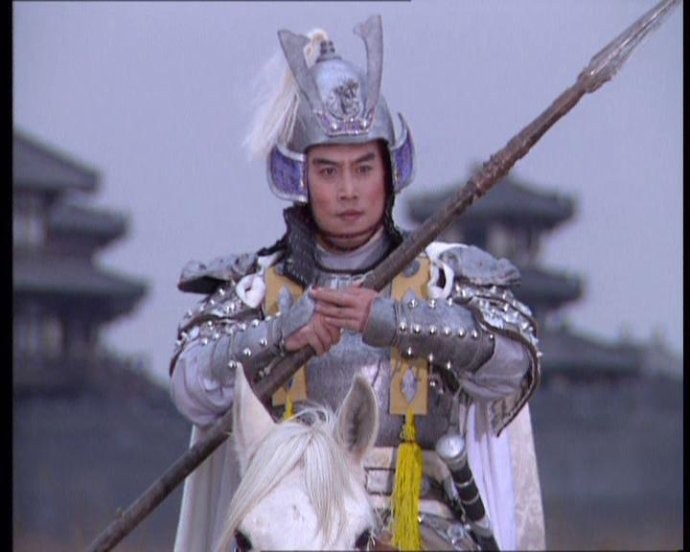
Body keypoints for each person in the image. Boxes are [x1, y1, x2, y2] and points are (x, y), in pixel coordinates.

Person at [169, 15, 545, 551]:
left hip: (422, 523)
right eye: (328, 171)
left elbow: (515, 363)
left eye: (363, 168)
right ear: (300, 177)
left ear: (389, 172)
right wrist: (280, 334)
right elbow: (191, 387)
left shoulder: (443, 280)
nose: (348, 190)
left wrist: (394, 322)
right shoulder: (257, 288)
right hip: (290, 521)